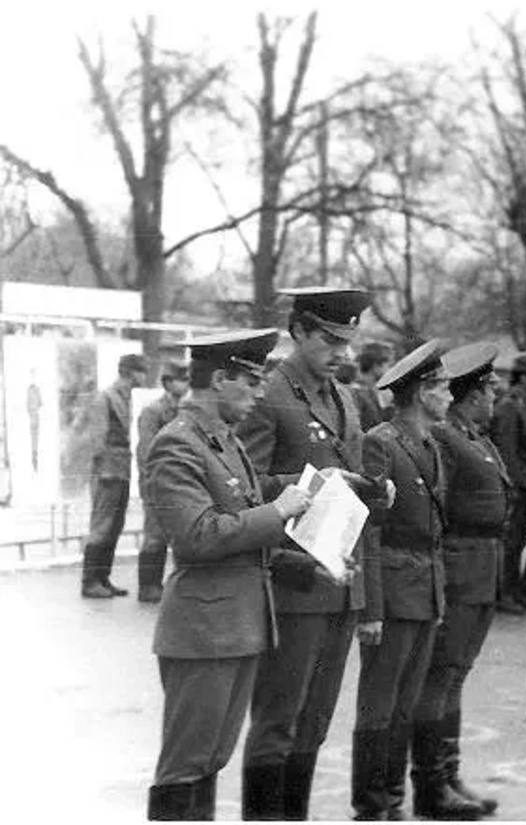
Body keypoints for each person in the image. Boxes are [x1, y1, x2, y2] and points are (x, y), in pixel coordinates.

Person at [144, 330, 318, 820]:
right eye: (252, 381)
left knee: (212, 758)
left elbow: (246, 503)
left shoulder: (223, 440)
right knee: (186, 764)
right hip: (203, 632)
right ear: (220, 379)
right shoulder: (176, 443)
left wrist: (313, 489)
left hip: (236, 626)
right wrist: (279, 511)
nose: (261, 393)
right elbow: (196, 536)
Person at [239, 287, 389, 820]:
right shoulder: (270, 395)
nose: (341, 352)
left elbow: (350, 493)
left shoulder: (343, 397)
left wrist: (373, 491)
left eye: (347, 342)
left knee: (315, 723)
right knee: (278, 721)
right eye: (329, 340)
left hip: (339, 583)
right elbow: (244, 487)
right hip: (293, 584)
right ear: (298, 332)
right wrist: (311, 483)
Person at [351, 340, 450, 821]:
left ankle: (392, 799)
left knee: (405, 704)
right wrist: (369, 607)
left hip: (424, 587)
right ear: (422, 391)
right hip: (392, 590)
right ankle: (371, 806)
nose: (450, 396)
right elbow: (368, 528)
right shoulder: (381, 442)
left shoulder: (430, 444)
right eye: (443, 387)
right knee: (380, 703)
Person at [412, 342, 511, 819]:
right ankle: (431, 785)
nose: (496, 397)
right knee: (441, 676)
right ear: (473, 393)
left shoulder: (475, 438)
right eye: (491, 390)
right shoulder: (446, 438)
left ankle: (449, 775)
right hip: (459, 566)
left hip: (482, 566)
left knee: (457, 674)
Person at [81, 352, 149, 599]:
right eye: (142, 371)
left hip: (120, 470)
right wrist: (103, 470)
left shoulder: (125, 397)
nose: (145, 376)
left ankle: (103, 577)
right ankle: (90, 581)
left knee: (115, 526)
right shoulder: (106, 398)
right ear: (131, 372)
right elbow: (97, 441)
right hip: (107, 472)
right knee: (102, 526)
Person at [491, 353, 526, 613]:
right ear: (524, 377)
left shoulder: (524, 403)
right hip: (517, 486)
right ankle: (503, 593)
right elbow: (507, 452)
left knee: (518, 540)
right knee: (511, 542)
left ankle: (512, 590)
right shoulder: (509, 406)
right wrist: (516, 486)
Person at [136, 360, 191, 604]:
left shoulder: (185, 411)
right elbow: (146, 451)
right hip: (155, 481)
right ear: (167, 383)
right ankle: (148, 586)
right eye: (180, 379)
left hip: (179, 481)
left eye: (187, 379)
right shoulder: (153, 411)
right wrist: (154, 483)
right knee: (155, 534)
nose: (185, 384)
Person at [352, 341, 395, 433]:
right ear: (376, 365)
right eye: (388, 365)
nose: (390, 370)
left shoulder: (370, 390)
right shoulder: (358, 393)